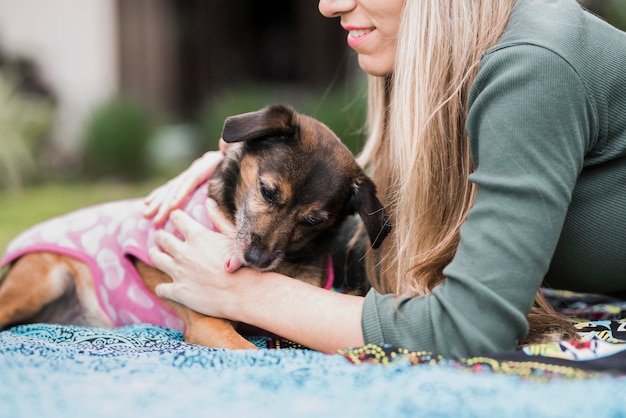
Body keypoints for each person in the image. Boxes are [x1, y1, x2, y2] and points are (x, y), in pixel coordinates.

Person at [143, 0, 626, 359]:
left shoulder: (532, 66)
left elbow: (468, 331)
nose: (328, 6)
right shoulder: (466, 63)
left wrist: (242, 292)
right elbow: (374, 234)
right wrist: (237, 163)